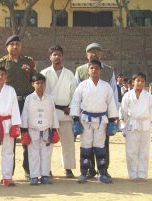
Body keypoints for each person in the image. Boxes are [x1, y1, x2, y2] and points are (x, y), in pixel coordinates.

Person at [0, 35, 36, 179]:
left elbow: (35, 80)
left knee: (26, 136)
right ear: (7, 47)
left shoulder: (28, 62)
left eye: (17, 44)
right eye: (12, 44)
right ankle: (8, 172)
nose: (15, 47)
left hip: (26, 102)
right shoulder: (2, 62)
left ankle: (29, 170)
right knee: (9, 137)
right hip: (9, 105)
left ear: (21, 46)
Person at [75, 42, 119, 179]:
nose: (94, 53)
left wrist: (113, 118)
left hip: (102, 117)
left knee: (101, 145)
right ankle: (87, 171)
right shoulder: (80, 72)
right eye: (91, 51)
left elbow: (113, 96)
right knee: (86, 145)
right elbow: (76, 98)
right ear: (86, 54)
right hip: (86, 117)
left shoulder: (109, 72)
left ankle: (103, 171)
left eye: (97, 51)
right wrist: (75, 118)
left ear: (101, 54)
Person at [40, 45, 76, 178]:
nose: (57, 57)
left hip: (65, 112)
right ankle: (46, 168)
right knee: (47, 143)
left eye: (59, 54)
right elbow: (40, 92)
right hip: (49, 112)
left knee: (68, 142)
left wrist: (71, 108)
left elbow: (74, 94)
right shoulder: (44, 73)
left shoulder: (69, 74)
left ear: (63, 56)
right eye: (54, 54)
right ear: (50, 57)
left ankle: (68, 168)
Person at [21, 73, 59, 185]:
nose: (40, 85)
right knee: (33, 154)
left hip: (47, 130)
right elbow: (25, 115)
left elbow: (53, 114)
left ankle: (45, 175)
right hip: (33, 130)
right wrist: (24, 131)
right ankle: (34, 176)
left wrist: (55, 129)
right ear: (33, 84)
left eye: (42, 83)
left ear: (45, 84)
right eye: (37, 83)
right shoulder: (29, 98)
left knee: (46, 154)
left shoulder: (50, 99)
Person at [120, 72, 152, 180]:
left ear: (145, 83)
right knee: (131, 151)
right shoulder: (127, 96)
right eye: (138, 80)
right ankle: (133, 175)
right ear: (133, 82)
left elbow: (151, 112)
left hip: (145, 125)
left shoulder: (148, 96)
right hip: (132, 124)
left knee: (144, 151)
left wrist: (148, 121)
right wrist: (124, 123)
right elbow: (123, 111)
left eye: (142, 81)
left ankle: (142, 174)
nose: (140, 83)